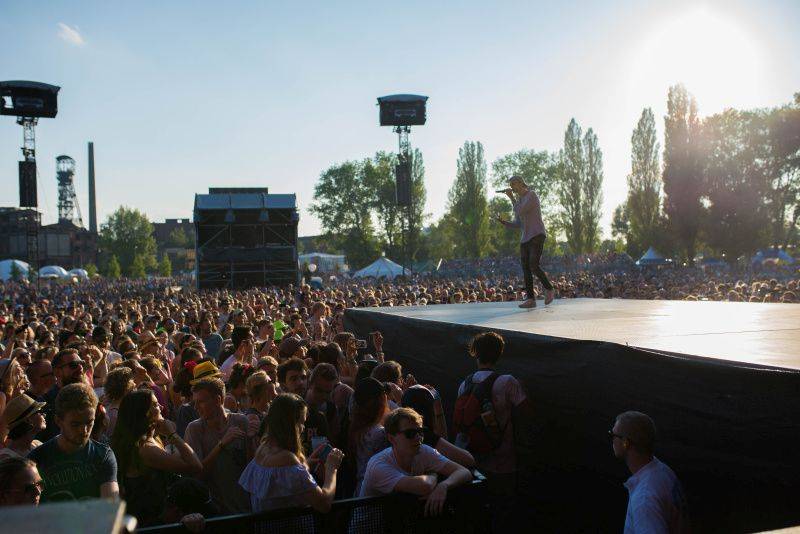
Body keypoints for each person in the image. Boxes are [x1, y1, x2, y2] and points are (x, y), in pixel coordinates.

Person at [238, 393, 344, 513]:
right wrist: (331, 469)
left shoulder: (263, 449)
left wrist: (306, 464)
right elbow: (324, 504)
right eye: (301, 422)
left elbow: (285, 482)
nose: (303, 428)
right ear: (291, 425)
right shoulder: (287, 459)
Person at [111, 389, 202, 526]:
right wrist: (172, 434)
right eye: (154, 404)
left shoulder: (149, 439)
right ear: (143, 413)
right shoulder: (145, 449)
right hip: (152, 522)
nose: (161, 407)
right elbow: (195, 466)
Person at [360, 407, 472, 517]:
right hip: (369, 525)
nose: (418, 437)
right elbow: (425, 486)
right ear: (392, 439)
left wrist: (444, 485)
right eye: (410, 433)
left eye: (420, 432)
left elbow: (464, 472)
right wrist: (433, 474)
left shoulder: (423, 451)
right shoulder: (378, 465)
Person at [27, 382, 119, 501]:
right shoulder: (37, 459)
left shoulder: (102, 455)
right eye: (75, 424)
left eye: (89, 423)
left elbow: (110, 504)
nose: (84, 430)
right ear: (58, 421)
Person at [610, 411, 689, 534]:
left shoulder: (644, 499)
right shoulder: (663, 471)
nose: (611, 439)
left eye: (613, 435)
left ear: (625, 443)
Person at [184, 377, 252, 513]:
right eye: (194, 403)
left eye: (201, 402)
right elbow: (197, 474)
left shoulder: (241, 421)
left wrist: (253, 439)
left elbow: (250, 465)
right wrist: (221, 445)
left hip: (244, 507)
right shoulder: (195, 429)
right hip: (215, 512)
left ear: (218, 400)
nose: (196, 407)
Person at [495, 175, 555, 308]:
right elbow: (518, 222)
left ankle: (549, 288)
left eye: (513, 184)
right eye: (510, 185)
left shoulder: (531, 195)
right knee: (526, 269)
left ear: (521, 183)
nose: (512, 187)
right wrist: (504, 222)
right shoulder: (520, 200)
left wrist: (511, 198)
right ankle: (531, 299)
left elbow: (520, 210)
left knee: (533, 265)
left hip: (536, 234)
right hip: (525, 238)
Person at [401, 386, 474, 468]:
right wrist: (437, 406)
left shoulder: (400, 428)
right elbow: (468, 460)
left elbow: (442, 438)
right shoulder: (421, 434)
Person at [347, 377, 390, 496]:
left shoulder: (356, 427)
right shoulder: (380, 433)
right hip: (374, 493)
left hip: (359, 490)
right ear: (382, 401)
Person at [0, 394, 46, 458]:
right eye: (40, 412)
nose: (44, 415)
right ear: (28, 420)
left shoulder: (38, 445)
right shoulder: (7, 458)